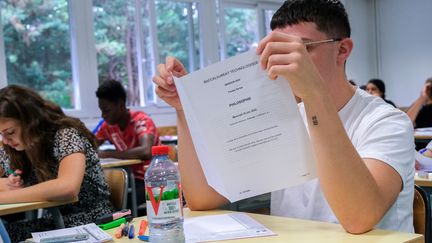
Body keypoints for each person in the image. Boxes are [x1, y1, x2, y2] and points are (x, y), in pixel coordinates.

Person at [153, 0, 414, 234]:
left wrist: (314, 93)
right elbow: (202, 199)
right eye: (278, 51)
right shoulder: (280, 115)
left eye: (302, 50)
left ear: (342, 50)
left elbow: (359, 218)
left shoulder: (386, 122)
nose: (285, 63)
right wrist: (184, 107)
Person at [0, 85, 115, 242]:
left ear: (31, 122)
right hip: (54, 222)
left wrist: (6, 196)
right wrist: (8, 183)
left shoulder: (65, 135)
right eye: (1, 134)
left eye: (10, 132)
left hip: (90, 223)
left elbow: (67, 188)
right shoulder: (15, 147)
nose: (5, 140)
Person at [95, 79, 159, 213]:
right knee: (99, 198)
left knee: (115, 204)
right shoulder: (107, 127)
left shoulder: (141, 120)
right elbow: (90, 146)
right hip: (130, 179)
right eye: (101, 111)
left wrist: (109, 153)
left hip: (151, 180)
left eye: (106, 110)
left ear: (120, 104)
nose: (103, 115)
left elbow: (146, 151)